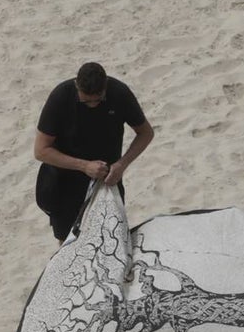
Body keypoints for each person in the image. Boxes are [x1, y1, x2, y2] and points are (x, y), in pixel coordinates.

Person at [34, 62, 154, 242]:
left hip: (107, 180)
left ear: (105, 88)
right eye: (86, 100)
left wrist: (122, 164)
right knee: (68, 242)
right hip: (65, 182)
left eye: (97, 100)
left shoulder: (119, 93)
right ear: (77, 86)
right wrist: (84, 166)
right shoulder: (61, 97)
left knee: (112, 238)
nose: (91, 105)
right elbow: (41, 151)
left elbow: (145, 133)